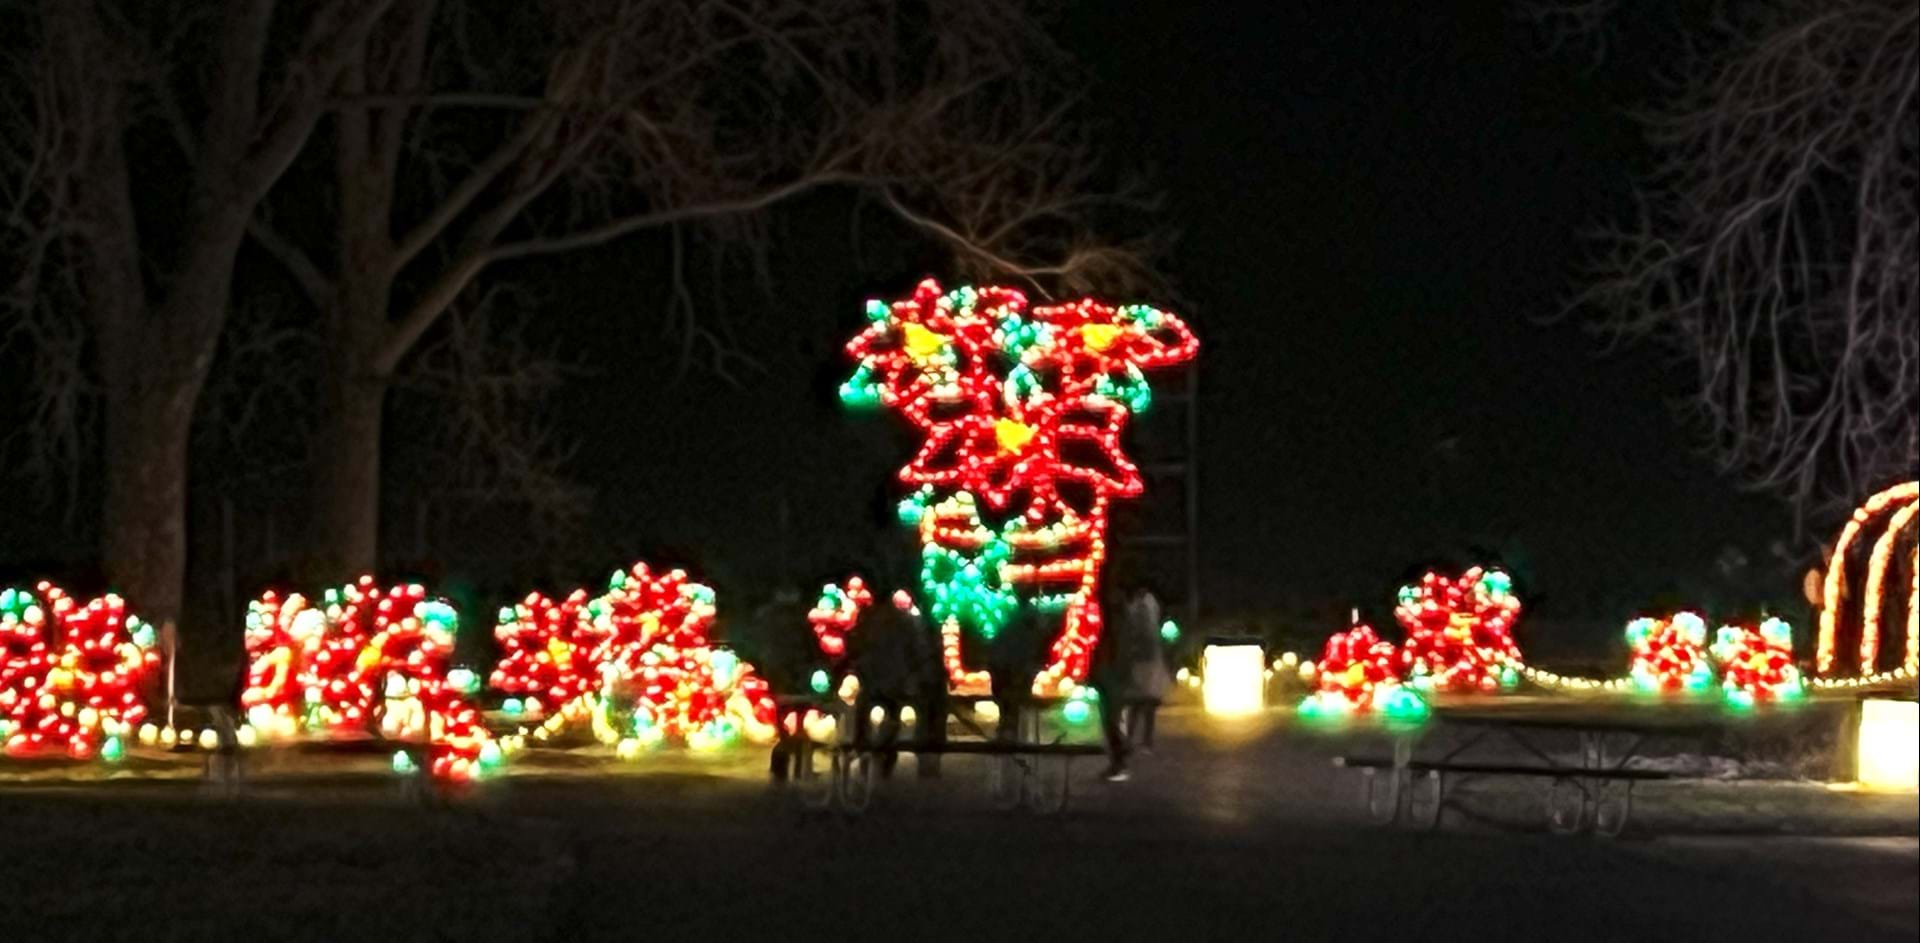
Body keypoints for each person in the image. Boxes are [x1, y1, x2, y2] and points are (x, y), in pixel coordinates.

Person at [850, 592, 917, 778]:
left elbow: (857, 646)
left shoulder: (869, 620)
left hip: (876, 677)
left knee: (865, 710)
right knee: (890, 714)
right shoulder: (902, 621)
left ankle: (863, 748)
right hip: (892, 678)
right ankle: (884, 753)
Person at [1121, 582, 1171, 752]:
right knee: (1142, 702)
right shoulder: (1144, 602)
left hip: (1144, 657)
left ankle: (1136, 740)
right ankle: (1138, 740)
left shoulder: (1143, 603)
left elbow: (1145, 629)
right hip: (1143, 657)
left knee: (1141, 701)